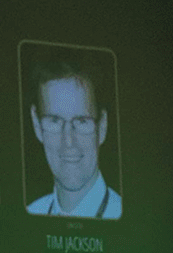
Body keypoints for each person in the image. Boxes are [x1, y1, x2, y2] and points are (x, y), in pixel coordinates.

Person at [25, 60, 122, 219]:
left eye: (82, 121)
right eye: (54, 121)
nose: (69, 142)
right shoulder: (31, 214)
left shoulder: (126, 215)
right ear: (36, 125)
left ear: (102, 126)